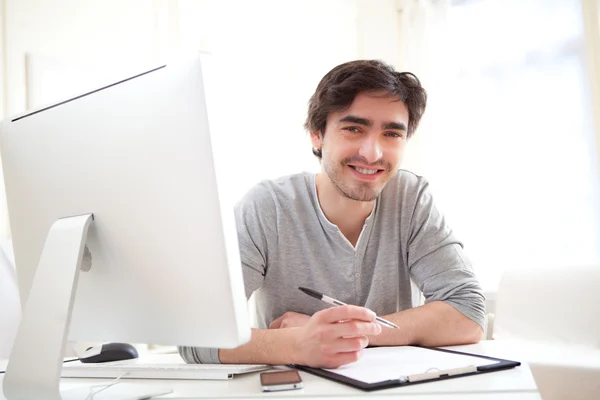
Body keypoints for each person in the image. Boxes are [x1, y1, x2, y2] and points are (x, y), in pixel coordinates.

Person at [179, 60, 485, 368]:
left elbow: (468, 313)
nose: (372, 153)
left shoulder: (411, 198)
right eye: (353, 129)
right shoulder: (267, 207)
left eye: (391, 134)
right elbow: (196, 337)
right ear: (317, 135)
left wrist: (349, 333)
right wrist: (296, 345)